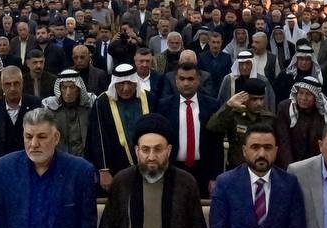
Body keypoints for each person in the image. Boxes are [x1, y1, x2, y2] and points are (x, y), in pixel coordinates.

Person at [155, 63, 220, 193]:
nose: (186, 83)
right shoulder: (164, 106)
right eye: (182, 79)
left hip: (203, 171)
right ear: (176, 80)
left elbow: (216, 144)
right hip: (172, 169)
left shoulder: (212, 105)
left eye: (190, 79)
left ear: (198, 80)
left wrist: (215, 177)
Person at [89, 63, 151, 190]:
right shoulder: (102, 102)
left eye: (130, 83)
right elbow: (98, 138)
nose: (126, 89)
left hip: (148, 164)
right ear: (114, 84)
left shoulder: (148, 98)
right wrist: (104, 170)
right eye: (121, 84)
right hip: (115, 168)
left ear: (136, 82)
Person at [0, 66, 41, 193]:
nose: (12, 88)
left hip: (31, 170)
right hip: (2, 172)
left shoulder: (35, 104)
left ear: (22, 84)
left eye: (16, 83)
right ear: (2, 86)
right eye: (8, 84)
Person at [206, 75, 276, 173]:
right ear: (245, 98)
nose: (259, 103)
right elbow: (212, 127)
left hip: (261, 168)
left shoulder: (269, 119)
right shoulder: (234, 115)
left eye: (261, 99)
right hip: (237, 168)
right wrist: (228, 106)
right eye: (254, 99)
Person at [275, 74, 327, 168]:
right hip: (289, 163)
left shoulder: (322, 113)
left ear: (315, 97)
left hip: (315, 165)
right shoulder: (285, 108)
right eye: (301, 93)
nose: (303, 98)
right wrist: (291, 169)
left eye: (308, 94)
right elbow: (283, 143)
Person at [43, 69, 95, 158]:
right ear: (59, 89)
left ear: (78, 89)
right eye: (64, 88)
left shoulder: (89, 105)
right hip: (60, 158)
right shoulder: (51, 107)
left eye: (72, 87)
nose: (68, 92)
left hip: (85, 157)